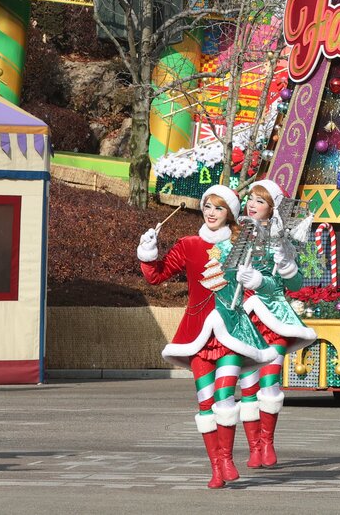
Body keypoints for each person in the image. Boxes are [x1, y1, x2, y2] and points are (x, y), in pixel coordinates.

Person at [138, 185, 275, 489]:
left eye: (219, 208)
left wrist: (257, 280)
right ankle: (215, 467)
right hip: (198, 335)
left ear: (230, 214)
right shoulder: (188, 244)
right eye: (208, 207)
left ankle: (227, 458)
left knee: (225, 399)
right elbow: (157, 275)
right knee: (205, 403)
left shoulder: (243, 245)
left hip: (231, 334)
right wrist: (148, 253)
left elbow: (269, 283)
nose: (212, 214)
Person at [234, 179, 316, 468]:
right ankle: (254, 446)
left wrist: (270, 274)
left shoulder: (280, 239)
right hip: (243, 318)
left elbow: (294, 283)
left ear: (272, 208)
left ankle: (267, 442)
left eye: (260, 201)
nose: (252, 205)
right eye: (251, 200)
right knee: (248, 385)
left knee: (269, 383)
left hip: (273, 319)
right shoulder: (237, 236)